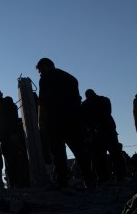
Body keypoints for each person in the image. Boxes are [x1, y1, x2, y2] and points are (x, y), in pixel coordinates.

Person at [35, 58, 95, 188]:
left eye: (40, 70)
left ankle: (62, 181)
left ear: (45, 66)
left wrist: (41, 121)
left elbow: (43, 101)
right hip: (73, 119)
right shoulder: (71, 78)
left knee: (58, 153)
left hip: (55, 120)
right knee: (79, 151)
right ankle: (89, 180)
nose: (40, 73)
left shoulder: (46, 79)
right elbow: (77, 100)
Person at [81, 89, 128, 181]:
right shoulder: (105, 100)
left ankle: (104, 177)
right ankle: (120, 175)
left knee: (99, 156)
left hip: (97, 132)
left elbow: (84, 120)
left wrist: (91, 129)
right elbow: (108, 113)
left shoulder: (84, 105)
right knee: (115, 154)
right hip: (108, 129)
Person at [0, 88, 29, 188]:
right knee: (9, 163)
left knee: (15, 161)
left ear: (1, 94)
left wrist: (14, 134)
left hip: (10, 137)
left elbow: (14, 120)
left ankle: (21, 184)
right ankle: (14, 184)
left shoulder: (8, 104)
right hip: (3, 139)